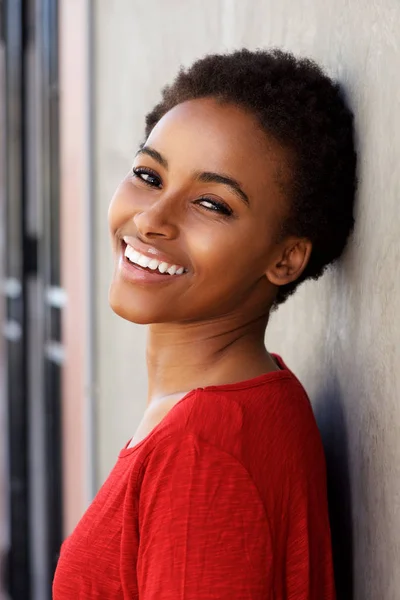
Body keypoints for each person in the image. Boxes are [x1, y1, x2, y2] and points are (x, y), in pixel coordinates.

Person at [53, 48, 357, 599]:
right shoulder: (245, 400)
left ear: (285, 258)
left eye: (212, 204)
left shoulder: (202, 455)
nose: (150, 219)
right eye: (149, 175)